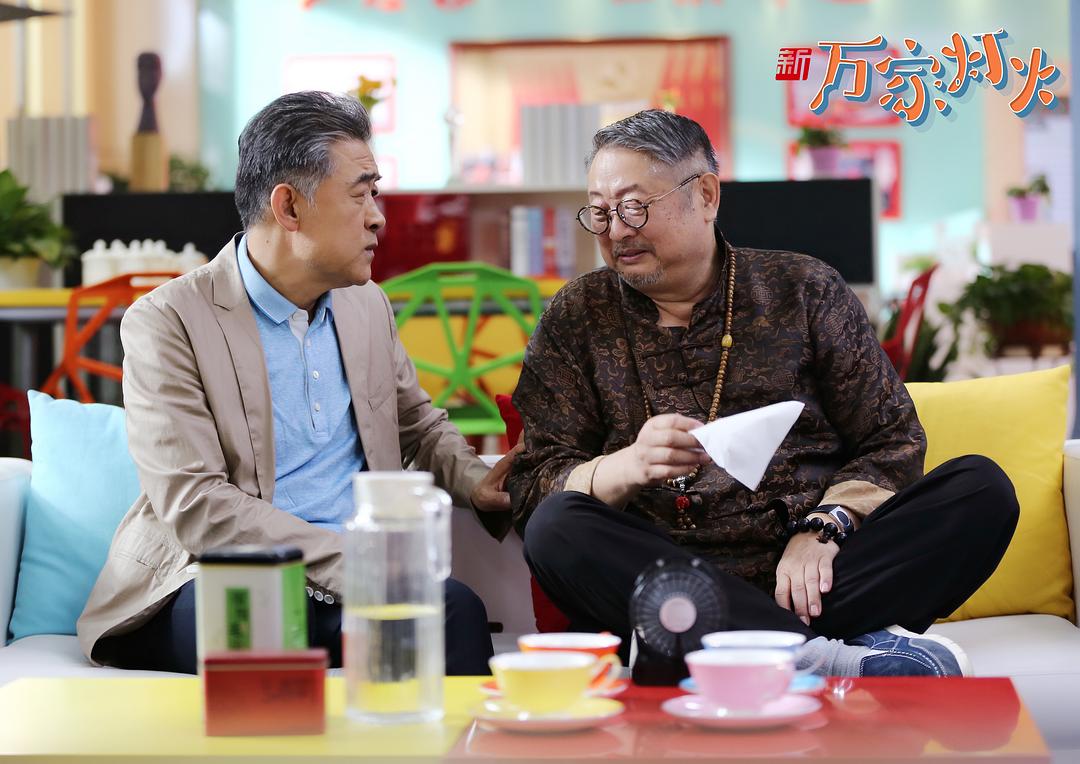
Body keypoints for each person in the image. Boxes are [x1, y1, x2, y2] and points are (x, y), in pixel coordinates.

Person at [507, 109, 1019, 677]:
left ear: (705, 195)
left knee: (981, 491)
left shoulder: (803, 290)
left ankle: (732, 646)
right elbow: (532, 485)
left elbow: (891, 438)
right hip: (663, 579)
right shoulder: (576, 315)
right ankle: (817, 656)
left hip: (813, 579)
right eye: (600, 213)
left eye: (633, 207)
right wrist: (625, 467)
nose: (616, 231)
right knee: (557, 528)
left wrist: (826, 527)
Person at [77, 91, 516, 675]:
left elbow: (417, 424)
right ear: (288, 207)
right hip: (220, 571)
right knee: (252, 621)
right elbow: (196, 504)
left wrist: (475, 482)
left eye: (375, 194)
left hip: (354, 576)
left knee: (454, 611)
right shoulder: (169, 320)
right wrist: (355, 559)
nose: (378, 216)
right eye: (360, 194)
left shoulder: (366, 305)